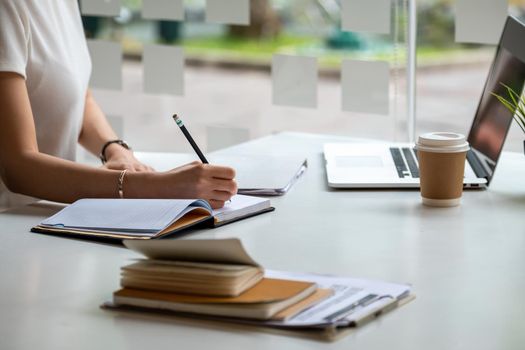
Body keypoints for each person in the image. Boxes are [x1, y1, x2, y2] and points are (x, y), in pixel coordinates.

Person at [0, 0, 237, 210]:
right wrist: (158, 187)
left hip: (46, 215)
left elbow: (77, 96)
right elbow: (18, 167)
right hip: (10, 224)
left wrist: (115, 150)